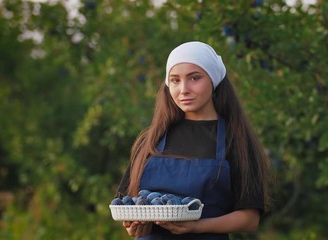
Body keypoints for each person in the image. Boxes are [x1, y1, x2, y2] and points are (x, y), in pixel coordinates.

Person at [115, 41, 270, 240]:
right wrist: (133, 226)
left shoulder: (236, 139)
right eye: (175, 80)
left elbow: (249, 219)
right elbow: (127, 206)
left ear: (213, 80)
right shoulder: (150, 139)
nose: (183, 89)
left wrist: (197, 227)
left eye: (194, 78)